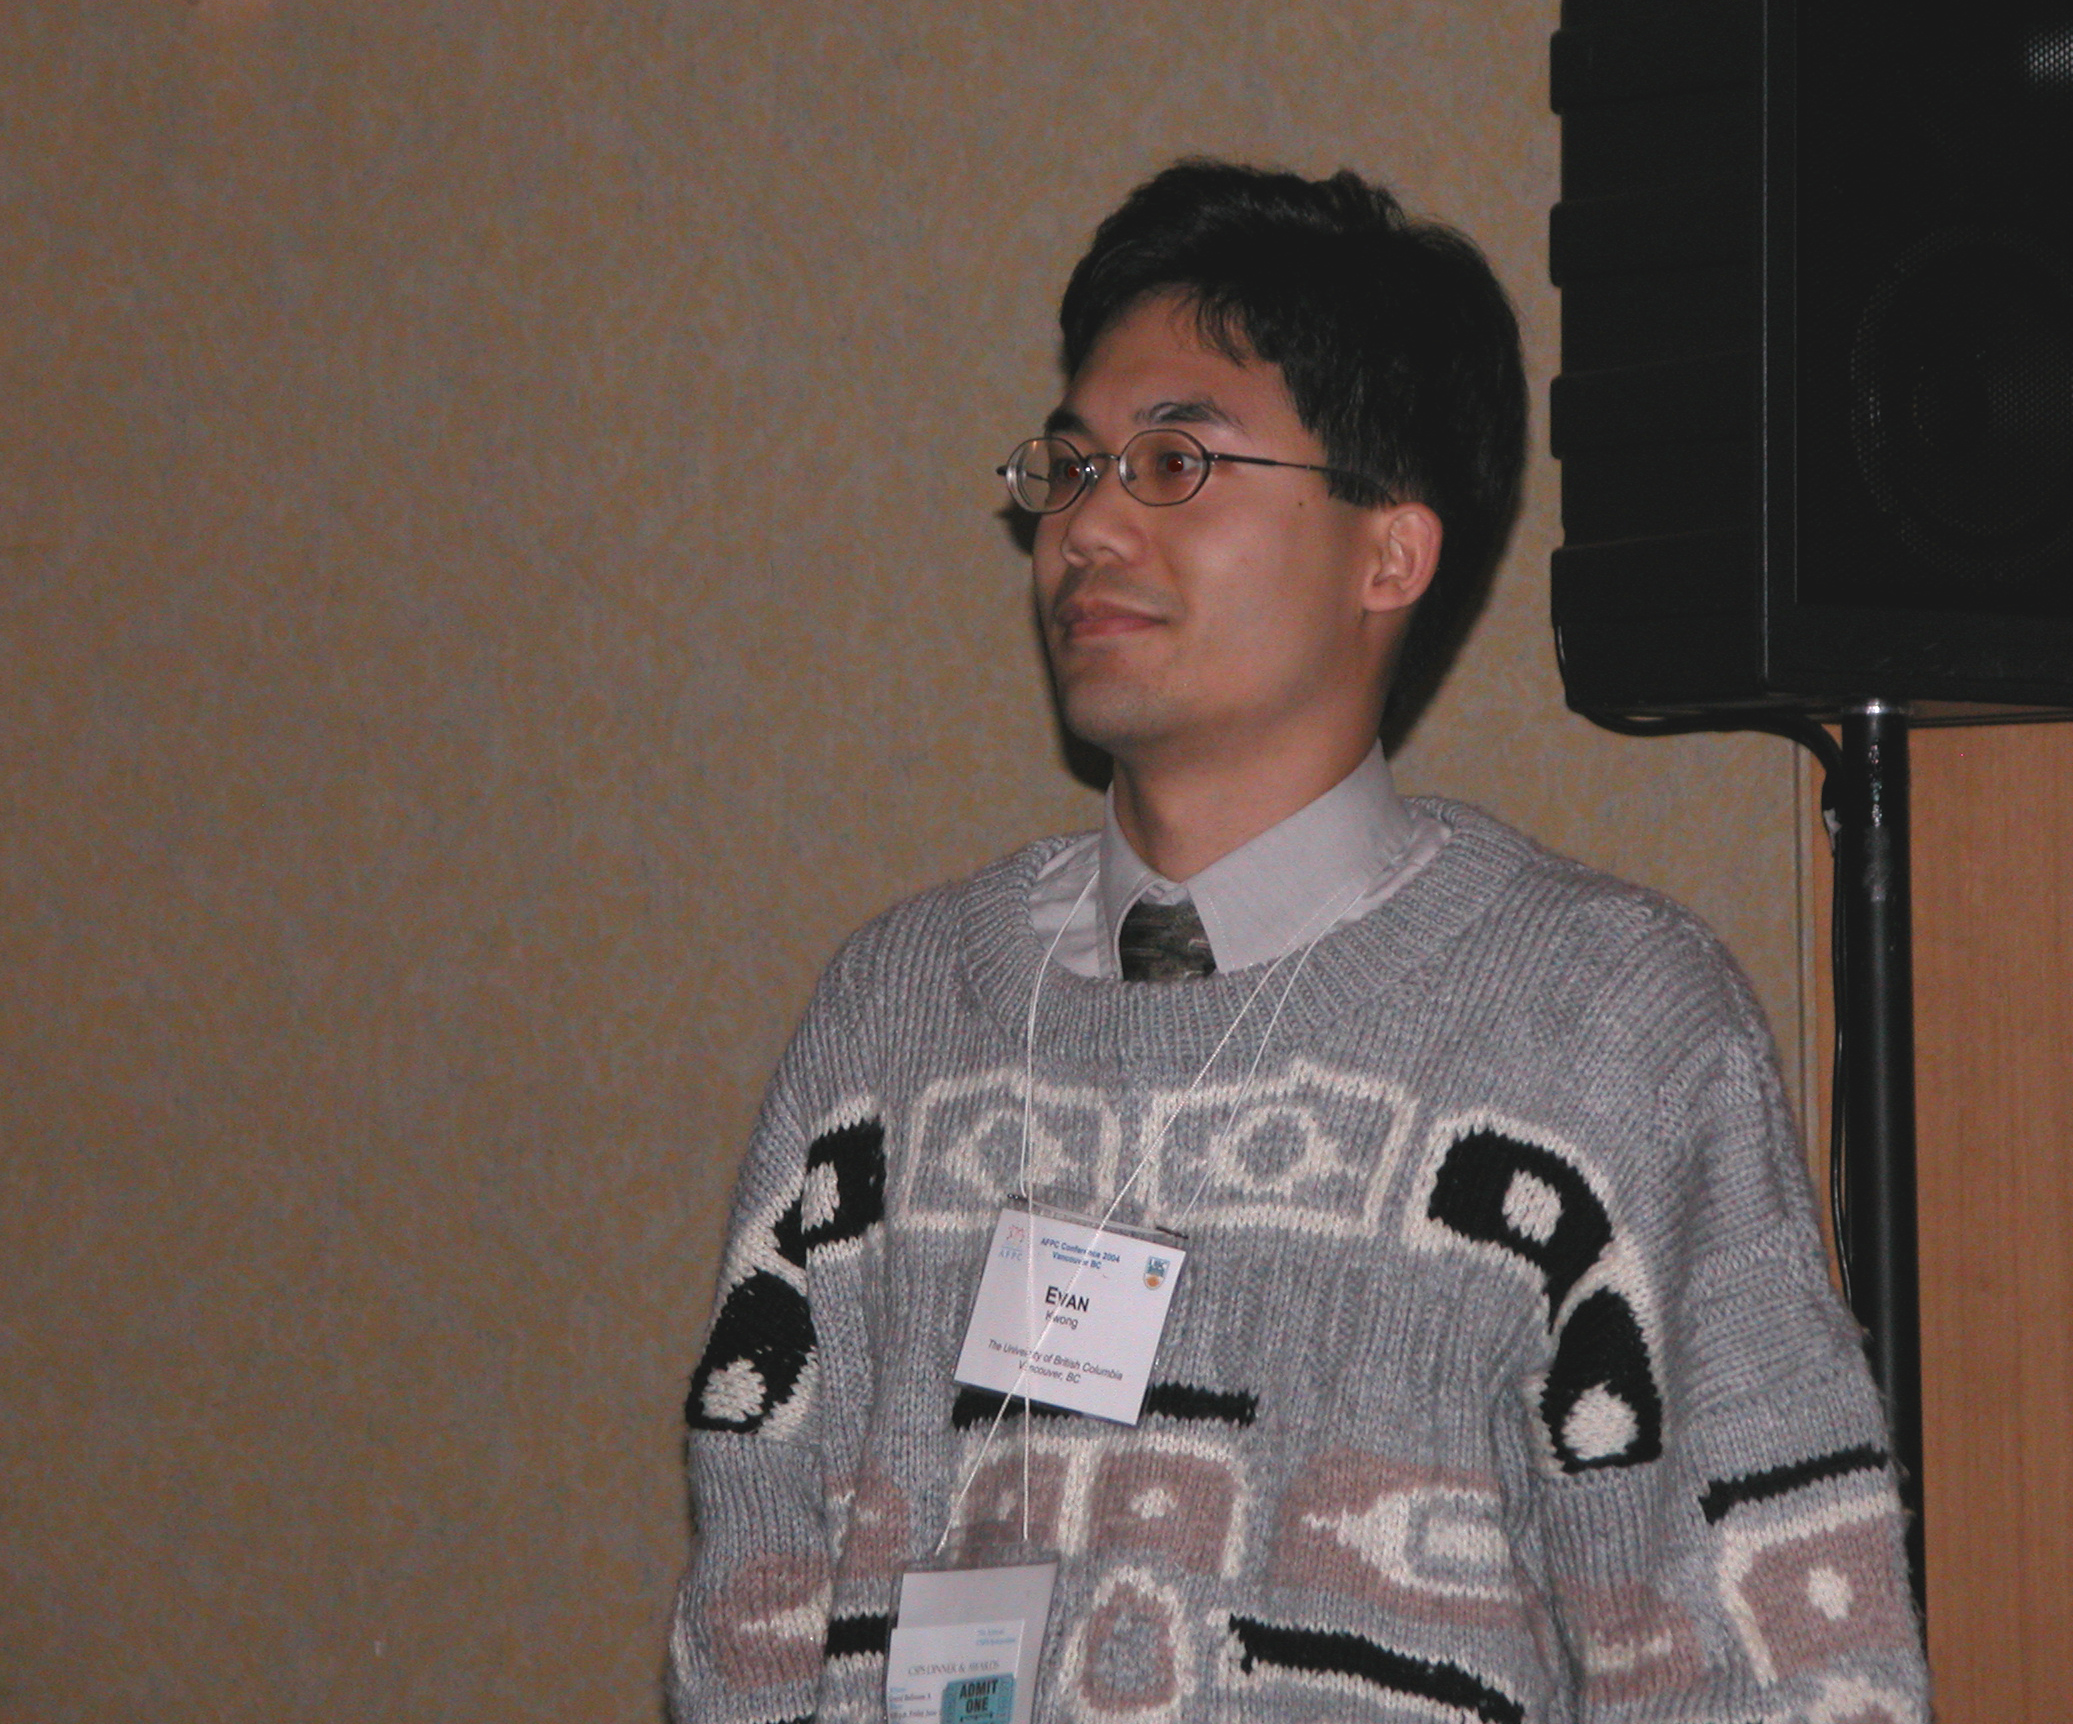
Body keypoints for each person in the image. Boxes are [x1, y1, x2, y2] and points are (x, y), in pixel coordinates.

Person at [667, 160, 1928, 1724]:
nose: (1086, 526)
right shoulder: (894, 1018)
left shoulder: (1608, 1030)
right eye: (1071, 468)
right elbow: (752, 1619)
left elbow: (1778, 1667)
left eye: (1174, 462)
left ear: (1389, 553)